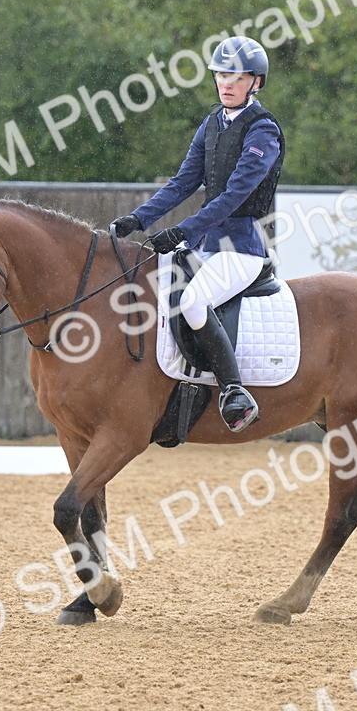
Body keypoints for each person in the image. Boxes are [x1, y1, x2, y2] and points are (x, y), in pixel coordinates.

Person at [111, 35, 285, 433]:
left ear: (255, 82)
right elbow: (182, 183)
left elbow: (234, 194)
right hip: (206, 245)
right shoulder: (211, 124)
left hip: (242, 248)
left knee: (191, 302)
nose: (226, 83)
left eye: (236, 76)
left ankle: (233, 392)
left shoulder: (263, 131)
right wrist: (136, 220)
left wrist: (182, 230)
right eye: (221, 74)